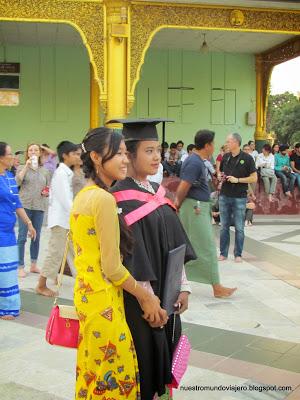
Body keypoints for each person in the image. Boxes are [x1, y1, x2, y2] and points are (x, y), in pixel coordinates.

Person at [71, 128, 167, 400]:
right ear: (97, 157)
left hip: (87, 297)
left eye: (127, 153)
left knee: (94, 374)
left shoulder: (84, 195)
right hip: (104, 304)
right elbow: (112, 268)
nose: (125, 160)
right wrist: (146, 295)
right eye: (119, 154)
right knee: (115, 381)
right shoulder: (103, 199)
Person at [109, 118, 195, 400]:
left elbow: (175, 244)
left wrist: (183, 286)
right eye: (148, 150)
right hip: (141, 303)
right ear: (128, 155)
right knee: (143, 364)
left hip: (167, 295)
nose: (157, 156)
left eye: (157, 149)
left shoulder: (156, 193)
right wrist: (148, 300)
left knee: (165, 359)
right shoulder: (119, 198)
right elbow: (131, 255)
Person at [175, 130, 237, 298]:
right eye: (213, 144)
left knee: (189, 246)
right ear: (208, 145)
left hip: (195, 207)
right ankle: (217, 287)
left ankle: (176, 280)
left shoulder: (195, 160)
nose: (214, 147)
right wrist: (176, 205)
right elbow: (183, 186)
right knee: (207, 247)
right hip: (195, 208)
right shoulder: (194, 162)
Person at [36, 141, 79, 297]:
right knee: (55, 253)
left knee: (75, 253)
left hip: (67, 221)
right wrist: (79, 214)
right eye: (74, 154)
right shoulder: (61, 174)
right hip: (61, 221)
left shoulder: (67, 172)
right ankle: (41, 285)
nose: (77, 157)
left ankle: (82, 282)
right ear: (65, 156)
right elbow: (66, 201)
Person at [0, 142, 36, 320]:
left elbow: (16, 203)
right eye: (10, 153)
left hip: (7, 232)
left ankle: (8, 307)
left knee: (7, 269)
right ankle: (5, 308)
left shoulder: (8, 177)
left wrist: (29, 223)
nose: (13, 156)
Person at [218, 133, 257, 263]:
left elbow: (254, 178)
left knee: (239, 227)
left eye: (228, 141)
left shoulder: (247, 158)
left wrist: (238, 180)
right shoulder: (226, 157)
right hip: (224, 195)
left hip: (240, 197)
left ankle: (238, 254)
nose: (226, 144)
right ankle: (223, 253)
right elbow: (222, 172)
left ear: (235, 142)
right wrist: (221, 177)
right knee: (224, 226)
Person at [16, 143, 50, 278]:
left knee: (36, 236)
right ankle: (20, 266)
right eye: (30, 150)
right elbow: (18, 182)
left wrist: (46, 192)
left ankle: (34, 264)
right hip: (24, 206)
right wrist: (26, 166)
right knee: (22, 236)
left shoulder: (45, 171)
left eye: (36, 150)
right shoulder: (20, 167)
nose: (33, 152)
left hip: (39, 206)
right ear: (27, 153)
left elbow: (47, 187)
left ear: (40, 153)